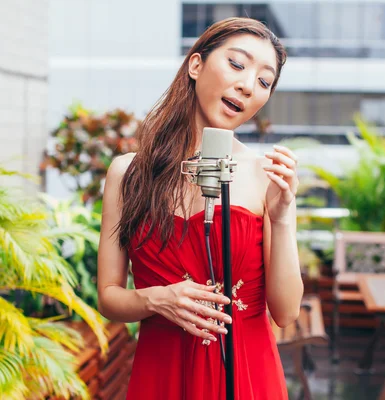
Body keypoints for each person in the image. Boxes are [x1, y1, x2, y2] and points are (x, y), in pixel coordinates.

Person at [97, 17, 303, 399]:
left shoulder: (264, 176)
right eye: (238, 65)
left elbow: (286, 312)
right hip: (161, 373)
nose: (247, 85)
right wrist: (154, 299)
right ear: (196, 65)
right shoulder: (128, 173)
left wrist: (282, 215)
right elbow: (109, 295)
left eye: (264, 81)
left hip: (245, 374)